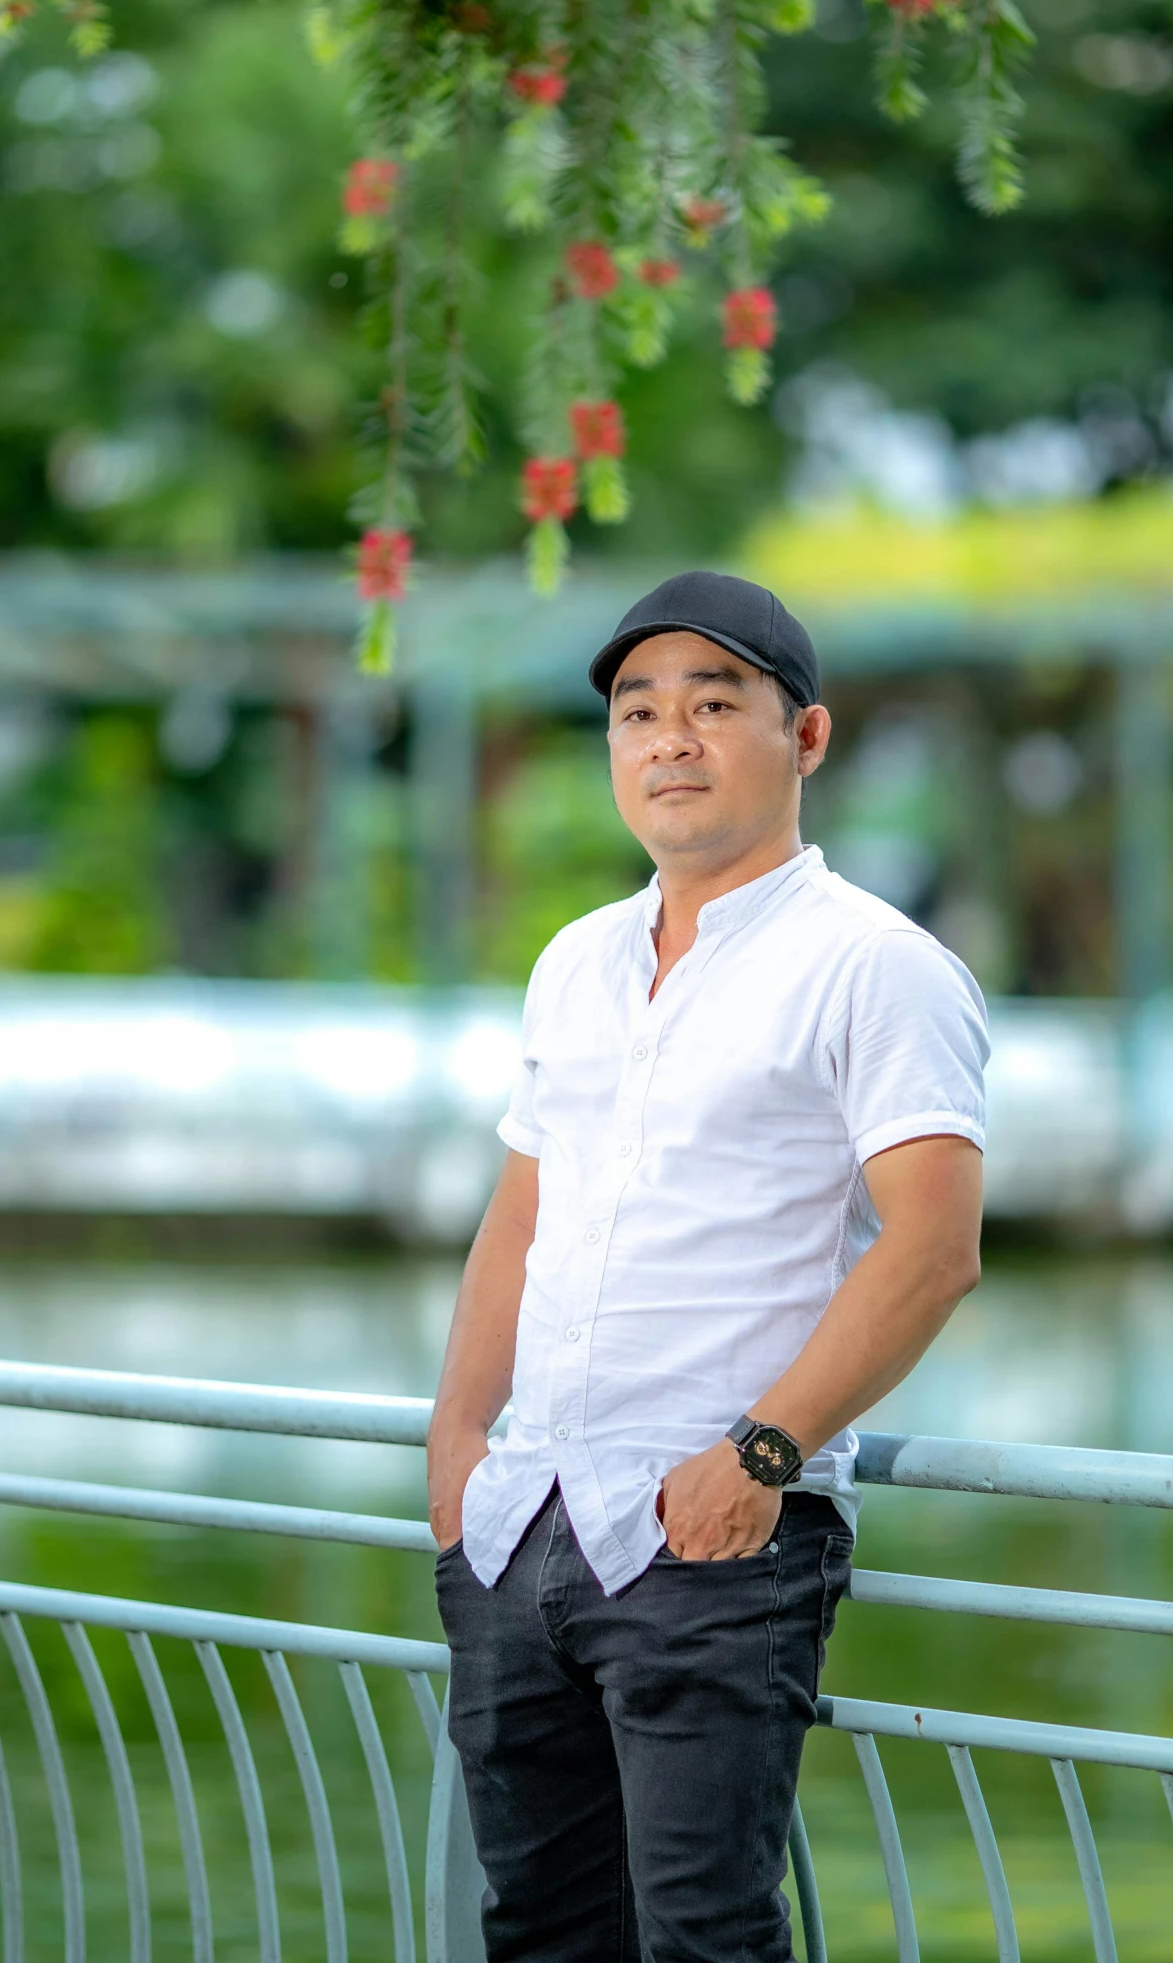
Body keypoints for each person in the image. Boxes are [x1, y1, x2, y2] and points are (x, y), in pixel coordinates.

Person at [427, 569, 989, 1963]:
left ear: (804, 738)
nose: (668, 737)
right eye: (636, 710)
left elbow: (931, 1248)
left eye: (713, 701)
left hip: (712, 1533)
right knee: (539, 1932)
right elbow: (520, 1211)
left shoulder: (876, 966)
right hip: (519, 1523)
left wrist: (759, 1456)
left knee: (704, 1937)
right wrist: (455, 1442)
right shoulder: (576, 960)